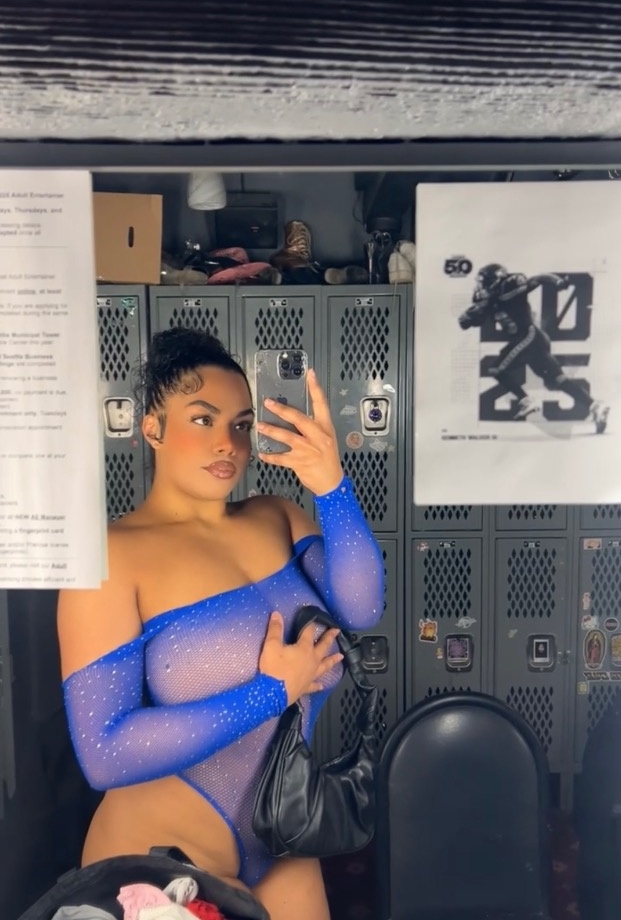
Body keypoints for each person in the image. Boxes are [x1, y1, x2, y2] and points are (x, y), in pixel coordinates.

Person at [57, 326, 384, 920]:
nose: (227, 443)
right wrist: (272, 691)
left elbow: (361, 607)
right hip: (159, 857)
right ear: (152, 428)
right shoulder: (111, 558)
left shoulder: (276, 515)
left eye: (241, 424)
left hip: (280, 834)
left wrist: (332, 486)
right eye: (202, 419)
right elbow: (104, 753)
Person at [458, 262, 610, 433]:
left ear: (495, 282)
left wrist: (557, 281)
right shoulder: (490, 302)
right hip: (534, 340)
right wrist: (469, 318)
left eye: (484, 282)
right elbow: (473, 318)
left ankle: (526, 401)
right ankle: (595, 406)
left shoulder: (509, 288)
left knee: (496, 369)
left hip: (528, 336)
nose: (481, 287)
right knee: (558, 380)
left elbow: (538, 279)